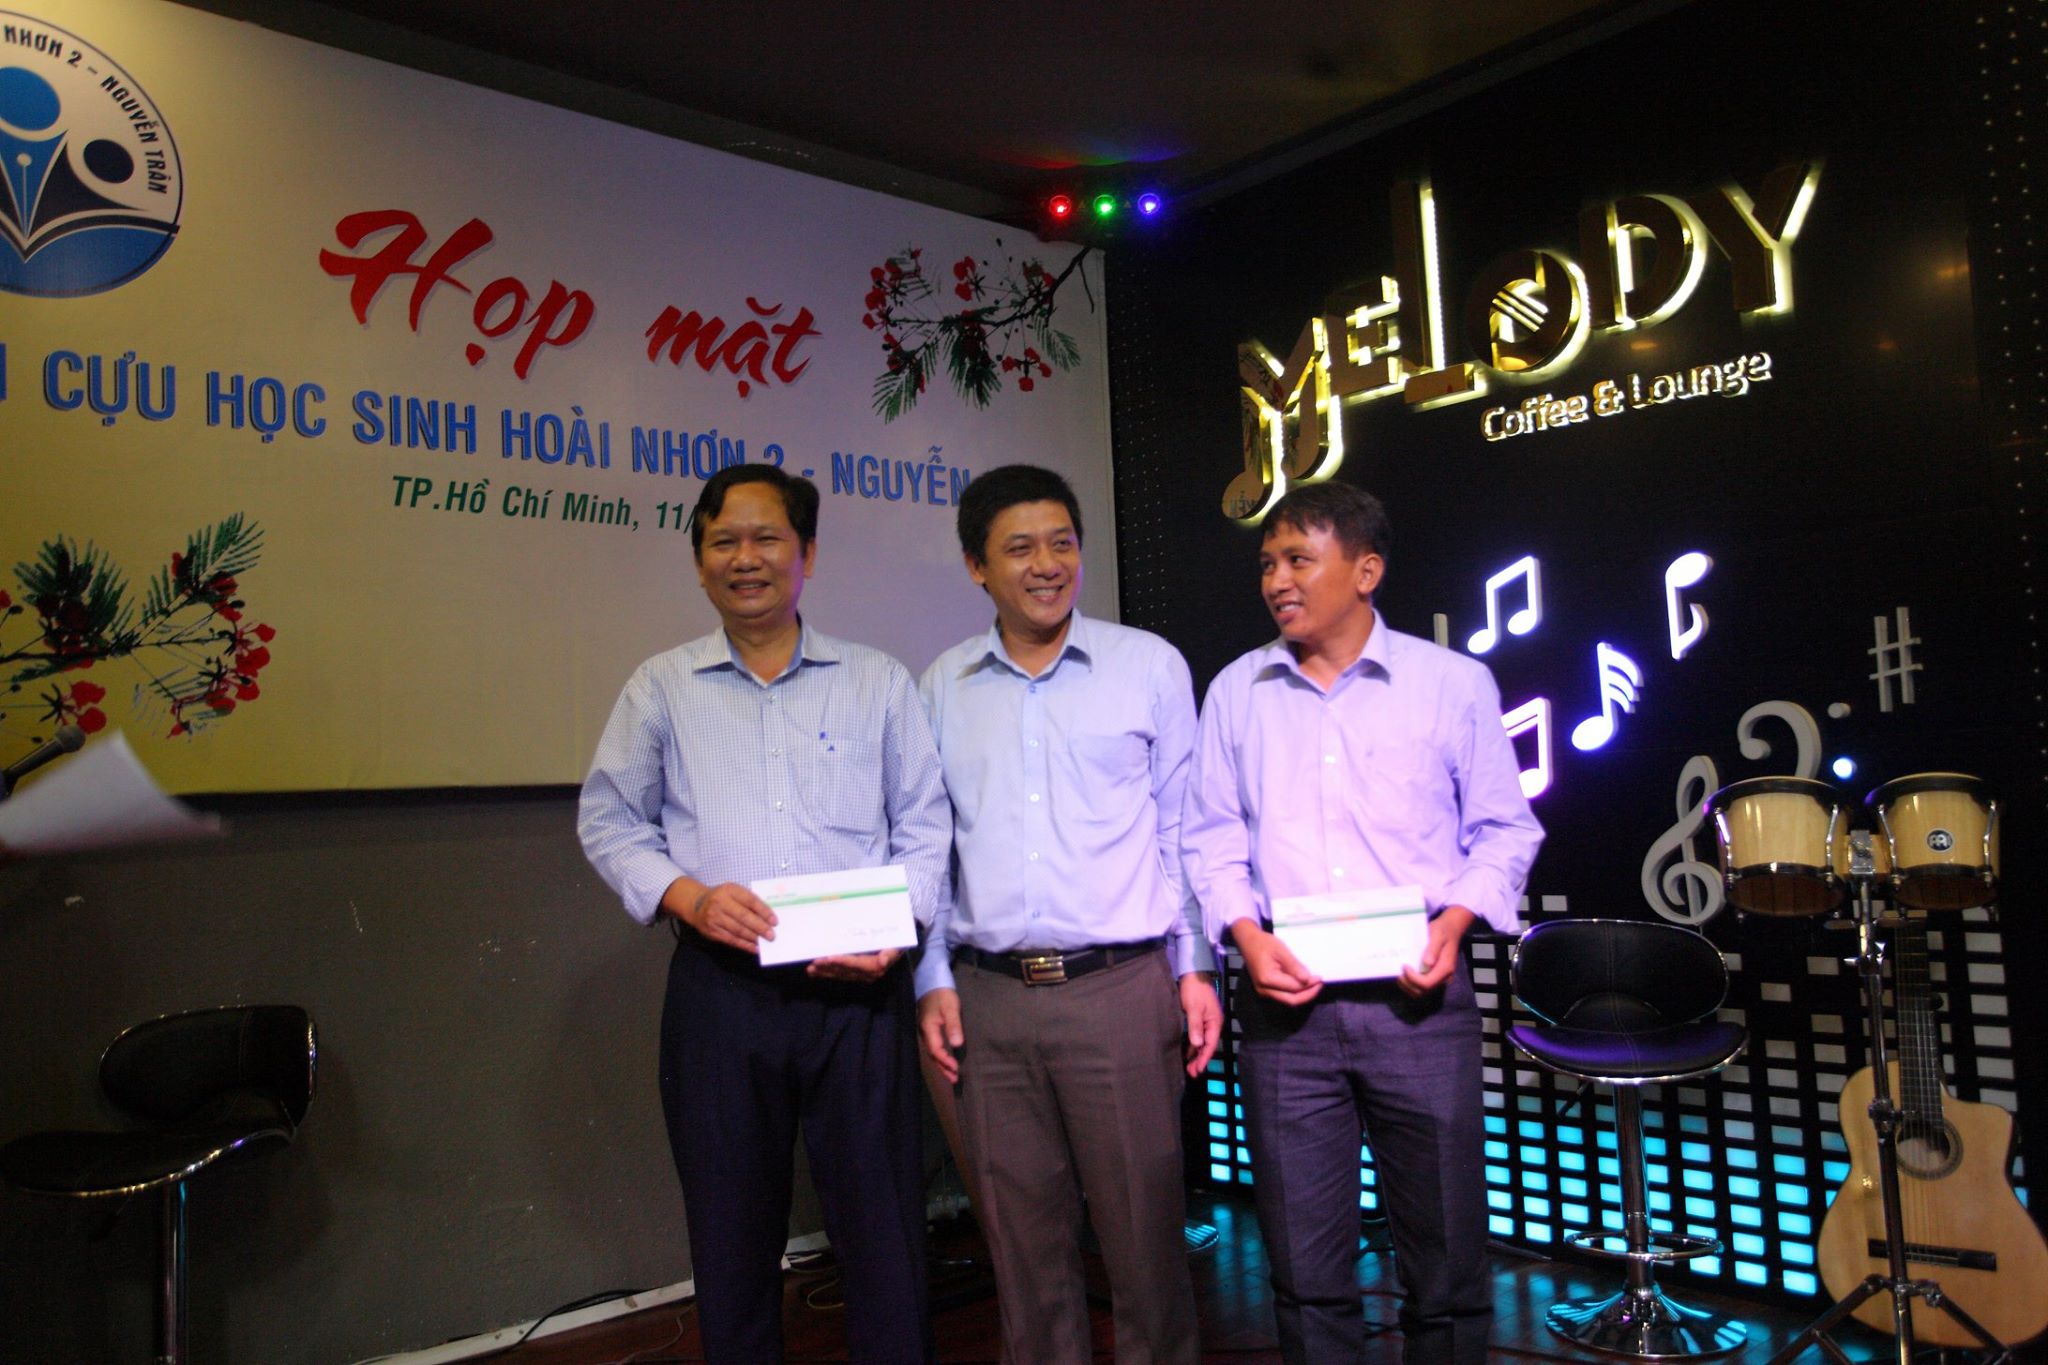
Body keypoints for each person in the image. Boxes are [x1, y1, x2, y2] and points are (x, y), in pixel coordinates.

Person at [577, 464, 950, 1364]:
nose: (746, 558)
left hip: (858, 997)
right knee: (731, 1231)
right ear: (699, 562)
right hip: (723, 996)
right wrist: (691, 897)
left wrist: (892, 935)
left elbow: (925, 825)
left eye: (767, 537)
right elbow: (609, 820)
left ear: (807, 553)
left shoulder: (876, 681)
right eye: (724, 541)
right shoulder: (661, 687)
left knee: (885, 1229)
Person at [1180, 481, 1543, 1365]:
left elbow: (1505, 830)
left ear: (1366, 569)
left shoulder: (1450, 683)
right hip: (1285, 1013)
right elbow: (1211, 838)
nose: (1276, 581)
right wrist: (1246, 936)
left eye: (1298, 560)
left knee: (1447, 1261)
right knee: (1305, 1271)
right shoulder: (1236, 690)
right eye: (1267, 563)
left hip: (1418, 1002)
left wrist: (1454, 923)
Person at [916, 464, 1221, 1364]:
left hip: (1119, 990)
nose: (1046, 564)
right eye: (1019, 548)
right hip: (989, 1000)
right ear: (977, 565)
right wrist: (931, 977)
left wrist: (1195, 966)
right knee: (1024, 1253)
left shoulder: (1147, 666)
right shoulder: (942, 686)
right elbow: (928, 845)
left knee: (1144, 1245)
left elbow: (1182, 827)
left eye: (1062, 543)